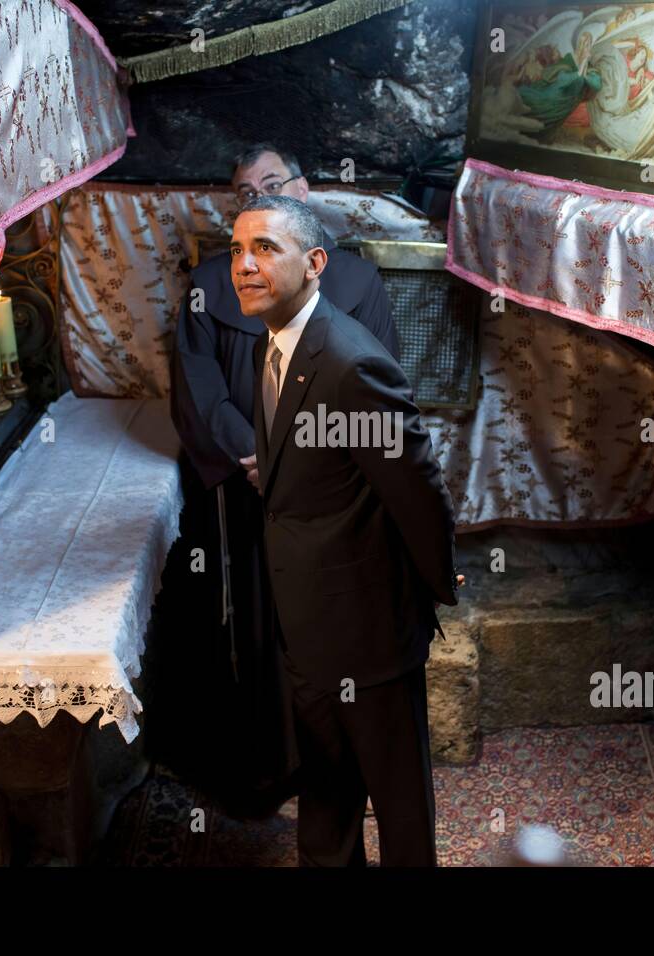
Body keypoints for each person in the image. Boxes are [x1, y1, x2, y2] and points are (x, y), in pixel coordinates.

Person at [161, 146, 398, 818]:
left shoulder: (354, 281)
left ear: (304, 190)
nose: (257, 195)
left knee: (331, 627)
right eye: (244, 191)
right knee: (255, 630)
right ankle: (267, 767)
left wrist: (305, 462)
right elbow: (199, 390)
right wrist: (252, 454)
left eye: (272, 183)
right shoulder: (211, 285)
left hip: (330, 493)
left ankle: (339, 765)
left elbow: (378, 385)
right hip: (245, 497)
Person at [234, 194, 460, 866]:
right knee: (326, 791)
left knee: (398, 806)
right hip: (306, 623)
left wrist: (436, 584)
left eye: (265, 248)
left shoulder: (350, 362)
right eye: (237, 250)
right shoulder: (270, 343)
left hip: (370, 631)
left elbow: (415, 486)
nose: (244, 265)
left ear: (315, 263)